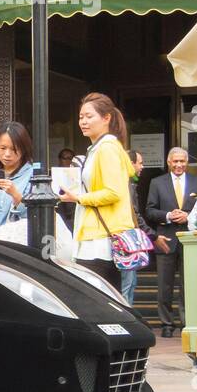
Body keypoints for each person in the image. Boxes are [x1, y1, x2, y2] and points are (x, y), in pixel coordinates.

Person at [58, 92, 131, 291]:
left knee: (97, 299)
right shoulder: (99, 148)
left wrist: (79, 198)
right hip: (96, 236)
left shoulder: (106, 148)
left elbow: (113, 192)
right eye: (81, 117)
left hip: (99, 239)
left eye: (89, 116)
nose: (83, 121)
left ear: (106, 118)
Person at [144, 146, 197, 337]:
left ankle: (187, 322)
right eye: (175, 161)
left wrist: (188, 217)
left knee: (189, 283)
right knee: (164, 285)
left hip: (190, 239)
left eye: (182, 161)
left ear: (187, 162)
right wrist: (168, 215)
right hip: (166, 238)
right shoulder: (157, 183)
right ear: (169, 162)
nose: (179, 165)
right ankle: (166, 324)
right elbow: (150, 211)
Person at [119, 148, 155, 306]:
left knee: (130, 283)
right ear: (130, 163)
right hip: (126, 241)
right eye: (140, 163)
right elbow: (134, 213)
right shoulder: (125, 184)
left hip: (127, 240)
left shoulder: (130, 184)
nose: (142, 167)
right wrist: (152, 235)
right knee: (127, 285)